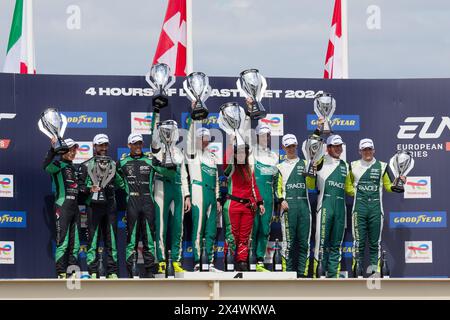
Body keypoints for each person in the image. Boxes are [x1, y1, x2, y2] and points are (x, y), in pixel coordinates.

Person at [349, 138, 405, 276]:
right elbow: (347, 186)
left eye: (369, 149)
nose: (367, 152)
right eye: (364, 149)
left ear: (374, 150)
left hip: (376, 209)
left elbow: (388, 186)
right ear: (359, 151)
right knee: (358, 244)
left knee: (375, 244)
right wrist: (355, 193)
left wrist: (398, 183)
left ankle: (375, 273)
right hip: (359, 209)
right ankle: (357, 273)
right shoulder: (353, 165)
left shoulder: (382, 166)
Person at [78, 134, 124, 279]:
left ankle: (112, 272)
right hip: (93, 206)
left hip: (110, 205)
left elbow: (120, 183)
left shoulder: (113, 164)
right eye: (100, 145)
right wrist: (88, 188)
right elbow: (79, 186)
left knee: (111, 240)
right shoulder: (86, 165)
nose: (103, 148)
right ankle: (92, 271)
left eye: (105, 145)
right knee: (93, 239)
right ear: (94, 146)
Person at [151, 108, 191, 274]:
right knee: (160, 226)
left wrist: (187, 195)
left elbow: (183, 175)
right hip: (161, 188)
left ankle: (175, 260)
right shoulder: (157, 148)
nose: (170, 134)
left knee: (177, 227)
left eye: (173, 131)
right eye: (167, 131)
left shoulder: (179, 152)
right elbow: (153, 136)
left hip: (177, 190)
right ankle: (160, 261)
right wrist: (157, 114)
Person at [117, 133, 159, 278]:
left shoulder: (150, 160)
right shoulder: (122, 162)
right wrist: (124, 187)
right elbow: (114, 178)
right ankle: (132, 270)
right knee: (132, 238)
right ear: (129, 145)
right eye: (135, 144)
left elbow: (166, 172)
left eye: (140, 143)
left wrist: (170, 167)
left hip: (148, 202)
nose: (138, 146)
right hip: (132, 203)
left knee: (148, 237)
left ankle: (149, 270)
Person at [312, 134, 354, 278]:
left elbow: (349, 189)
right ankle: (318, 276)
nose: (338, 149)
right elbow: (311, 185)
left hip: (340, 209)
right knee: (321, 243)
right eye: (335, 146)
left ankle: (333, 278)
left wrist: (364, 192)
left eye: (340, 146)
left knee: (336, 245)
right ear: (328, 148)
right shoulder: (320, 161)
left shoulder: (345, 165)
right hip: (324, 206)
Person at [185, 115, 222, 272]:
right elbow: (188, 139)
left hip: (212, 195)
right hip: (198, 192)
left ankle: (209, 262)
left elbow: (217, 180)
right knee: (198, 229)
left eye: (207, 138)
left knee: (211, 231)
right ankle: (198, 262)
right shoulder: (193, 154)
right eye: (202, 138)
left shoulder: (212, 157)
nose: (205, 141)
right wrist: (194, 119)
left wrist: (218, 199)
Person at [276, 134, 315, 278]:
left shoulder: (305, 163)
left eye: (293, 146)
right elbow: (277, 187)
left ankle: (302, 273)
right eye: (288, 146)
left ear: (297, 146)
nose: (291, 149)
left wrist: (311, 174)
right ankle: (288, 274)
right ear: (283, 148)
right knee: (288, 244)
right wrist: (281, 200)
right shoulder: (279, 166)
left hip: (304, 205)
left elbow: (311, 186)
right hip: (288, 206)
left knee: (304, 243)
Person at [223, 140, 265, 271]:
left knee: (245, 237)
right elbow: (225, 162)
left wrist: (260, 202)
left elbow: (254, 186)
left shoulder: (249, 168)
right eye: (239, 153)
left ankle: (242, 262)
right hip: (233, 205)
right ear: (235, 155)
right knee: (232, 236)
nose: (242, 155)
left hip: (247, 208)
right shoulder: (232, 167)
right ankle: (228, 262)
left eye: (244, 153)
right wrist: (230, 145)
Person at [43, 138, 81, 279]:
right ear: (63, 151)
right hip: (62, 207)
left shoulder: (74, 168)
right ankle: (61, 273)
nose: (72, 152)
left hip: (75, 209)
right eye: (69, 149)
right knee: (63, 242)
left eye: (74, 149)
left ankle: (72, 273)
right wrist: (53, 150)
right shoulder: (57, 165)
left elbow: (80, 188)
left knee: (76, 244)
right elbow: (45, 166)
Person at [250, 124, 278, 272]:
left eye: (267, 135)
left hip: (268, 197)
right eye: (262, 135)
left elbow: (276, 181)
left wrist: (278, 198)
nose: (265, 138)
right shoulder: (252, 153)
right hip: (254, 196)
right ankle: (250, 257)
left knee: (264, 229)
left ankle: (260, 259)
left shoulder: (274, 156)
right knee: (253, 228)